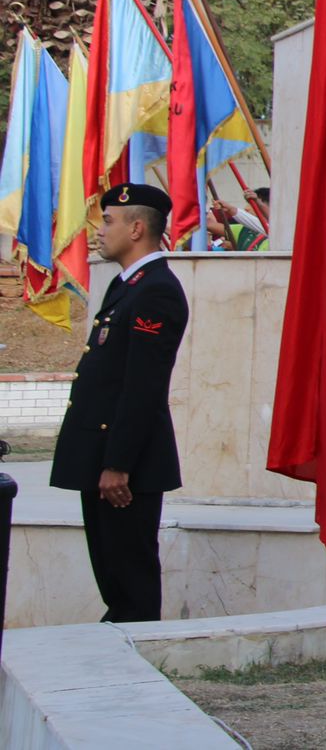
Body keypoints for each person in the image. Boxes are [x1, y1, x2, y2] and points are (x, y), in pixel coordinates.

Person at [50, 183, 189, 623]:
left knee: (130, 583)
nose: (99, 230)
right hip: (104, 455)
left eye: (108, 221)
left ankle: (137, 653)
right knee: (114, 575)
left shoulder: (156, 290)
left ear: (136, 229)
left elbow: (143, 386)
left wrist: (118, 464)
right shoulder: (128, 285)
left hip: (125, 467)